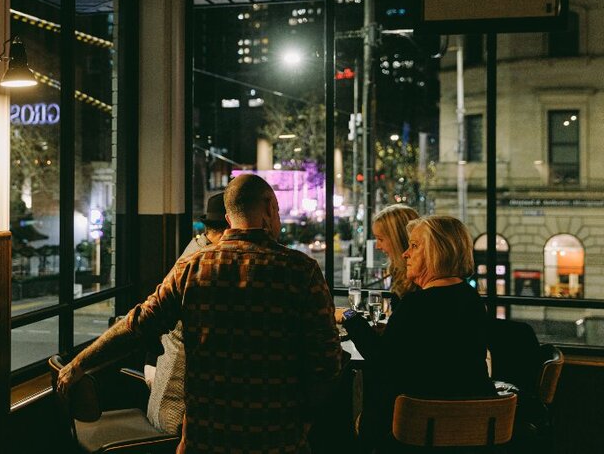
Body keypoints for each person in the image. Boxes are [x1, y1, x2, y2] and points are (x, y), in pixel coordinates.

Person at [58, 174, 342, 453]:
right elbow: (326, 364)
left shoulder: (192, 268)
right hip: (276, 437)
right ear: (269, 209)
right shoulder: (302, 272)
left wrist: (79, 364)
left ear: (229, 219)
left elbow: (137, 326)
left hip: (206, 437)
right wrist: (303, 422)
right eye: (278, 211)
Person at [342, 215, 495, 453]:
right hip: (471, 428)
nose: (405, 254)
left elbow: (380, 359)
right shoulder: (471, 298)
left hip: (420, 431)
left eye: (414, 246)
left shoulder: (417, 304)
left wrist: (348, 317)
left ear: (438, 251)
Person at [145, 192, 228, 435]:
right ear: (226, 229)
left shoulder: (197, 247)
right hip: (178, 412)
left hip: (167, 394)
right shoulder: (202, 262)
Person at [371, 204, 420, 303]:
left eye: (380, 239)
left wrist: (348, 314)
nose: (377, 246)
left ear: (398, 240)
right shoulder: (398, 270)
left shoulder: (419, 279)